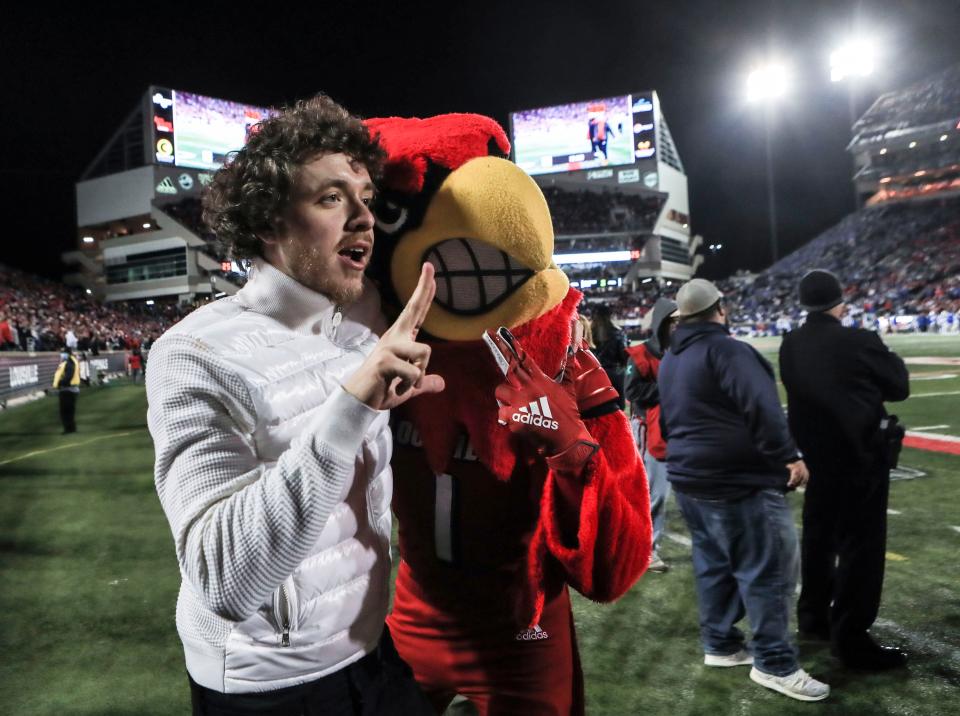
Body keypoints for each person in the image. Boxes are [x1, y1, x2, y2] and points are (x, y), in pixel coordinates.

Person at [147, 95, 439, 715]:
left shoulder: (363, 331)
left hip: (370, 653)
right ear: (268, 222)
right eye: (331, 198)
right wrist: (351, 406)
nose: (364, 217)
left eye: (365, 197)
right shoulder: (194, 351)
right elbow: (226, 580)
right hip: (270, 689)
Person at [658, 278, 830, 702]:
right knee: (769, 570)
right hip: (736, 479)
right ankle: (774, 662)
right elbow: (762, 406)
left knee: (715, 563)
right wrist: (788, 455)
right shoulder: (727, 350)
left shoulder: (671, 358)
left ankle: (720, 643)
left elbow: (668, 421)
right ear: (720, 308)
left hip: (690, 477)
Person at [779, 269, 910, 671]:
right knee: (861, 549)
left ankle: (814, 618)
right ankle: (852, 640)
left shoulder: (791, 344)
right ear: (840, 301)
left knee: (819, 539)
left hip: (817, 461)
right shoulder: (858, 341)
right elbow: (899, 385)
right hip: (860, 461)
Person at [624, 297, 677, 572]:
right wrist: (670, 388)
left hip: (675, 428)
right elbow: (632, 393)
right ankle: (647, 550)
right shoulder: (642, 354)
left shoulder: (679, 351)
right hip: (648, 430)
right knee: (653, 493)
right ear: (662, 323)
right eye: (674, 322)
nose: (678, 326)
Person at [590, 303, 628, 409]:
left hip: (594, 376)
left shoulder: (588, 333)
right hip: (615, 375)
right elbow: (625, 356)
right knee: (619, 410)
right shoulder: (619, 333)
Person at [53, 347, 80, 434]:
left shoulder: (69, 363)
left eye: (63, 353)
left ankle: (68, 429)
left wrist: (60, 383)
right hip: (71, 389)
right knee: (69, 411)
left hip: (67, 389)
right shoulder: (72, 361)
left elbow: (68, 376)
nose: (61, 354)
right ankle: (71, 428)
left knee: (65, 411)